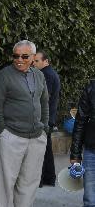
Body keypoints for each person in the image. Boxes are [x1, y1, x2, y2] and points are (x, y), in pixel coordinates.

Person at [0, 40, 48, 207]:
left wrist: (45, 128)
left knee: (30, 179)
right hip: (12, 134)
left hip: (36, 135)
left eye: (24, 56)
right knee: (7, 180)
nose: (19, 60)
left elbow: (45, 102)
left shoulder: (39, 75)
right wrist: (1, 132)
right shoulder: (4, 76)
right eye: (16, 56)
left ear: (33, 58)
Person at [68, 78, 95, 207]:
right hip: (91, 151)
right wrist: (75, 155)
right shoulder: (92, 87)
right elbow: (80, 121)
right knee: (90, 200)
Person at [33, 51, 60, 187]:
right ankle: (49, 178)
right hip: (48, 117)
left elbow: (43, 98)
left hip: (45, 117)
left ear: (46, 61)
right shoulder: (50, 73)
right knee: (46, 149)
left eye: (37, 61)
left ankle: (42, 179)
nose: (34, 63)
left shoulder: (46, 75)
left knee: (41, 149)